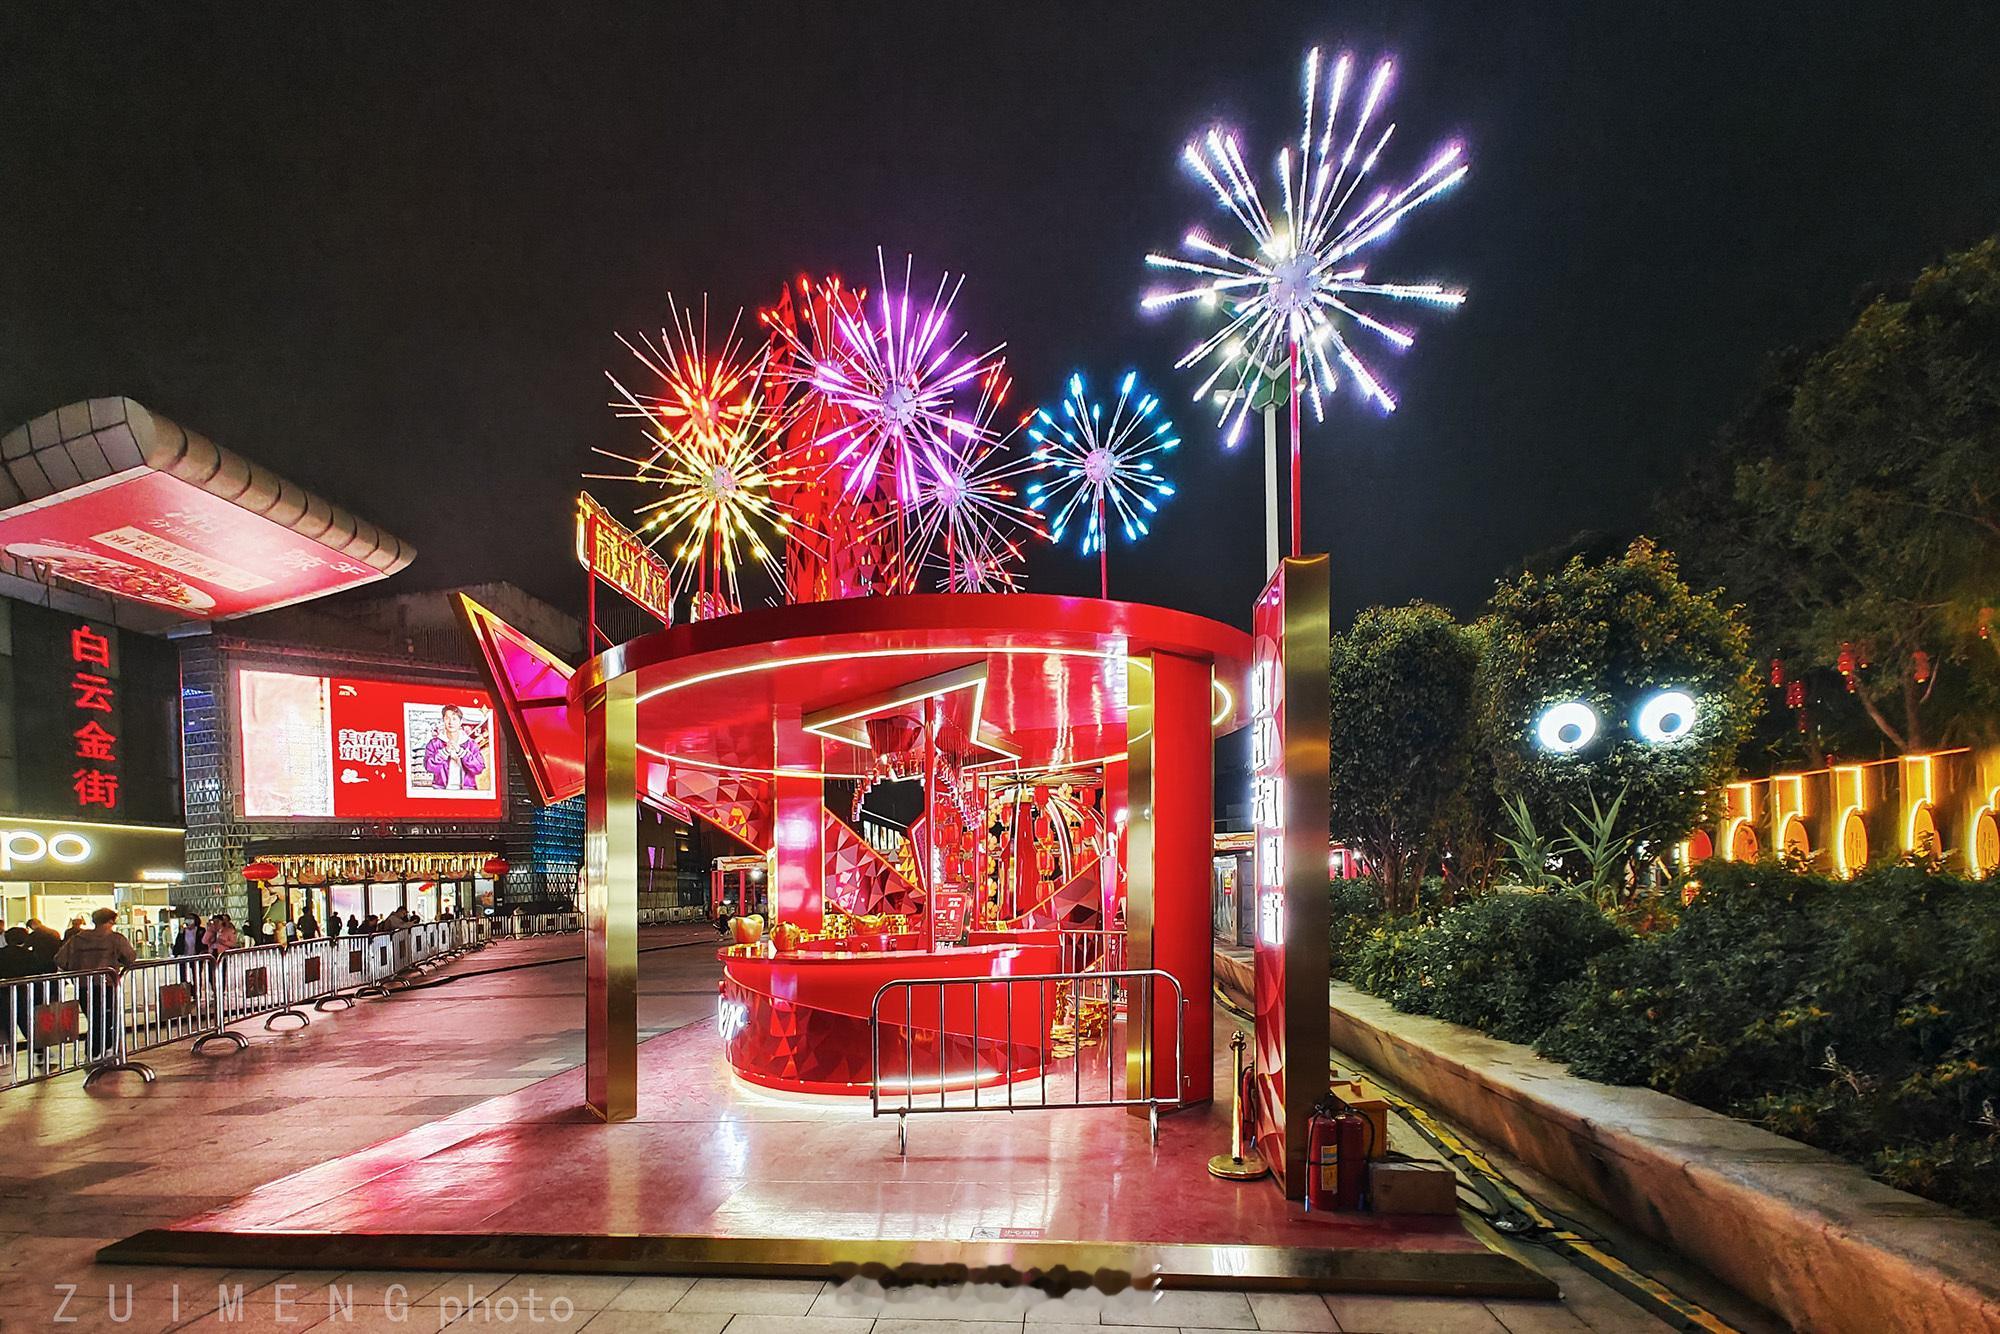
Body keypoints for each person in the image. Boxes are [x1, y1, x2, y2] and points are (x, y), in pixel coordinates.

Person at [54, 909, 136, 1061]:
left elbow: (60, 959)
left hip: (83, 983)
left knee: (93, 1017)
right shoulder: (115, 939)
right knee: (107, 1017)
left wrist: (76, 970)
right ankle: (102, 1049)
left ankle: (94, 1051)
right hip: (107, 983)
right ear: (111, 921)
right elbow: (130, 957)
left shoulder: (77, 939)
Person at [2, 926, 53, 1062]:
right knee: (27, 1022)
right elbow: (38, 970)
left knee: (6, 1022)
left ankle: (7, 1053)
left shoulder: (1, 954)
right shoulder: (29, 955)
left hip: (4, 994)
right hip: (25, 993)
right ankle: (39, 1051)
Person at [423, 705, 487, 792]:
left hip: (467, 791)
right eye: (447, 718)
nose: (450, 722)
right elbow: (429, 767)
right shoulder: (434, 744)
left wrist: (463, 753)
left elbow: (479, 768)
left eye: (454, 719)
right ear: (443, 720)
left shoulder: (471, 744)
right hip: (441, 791)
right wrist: (444, 752)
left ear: (460, 722)